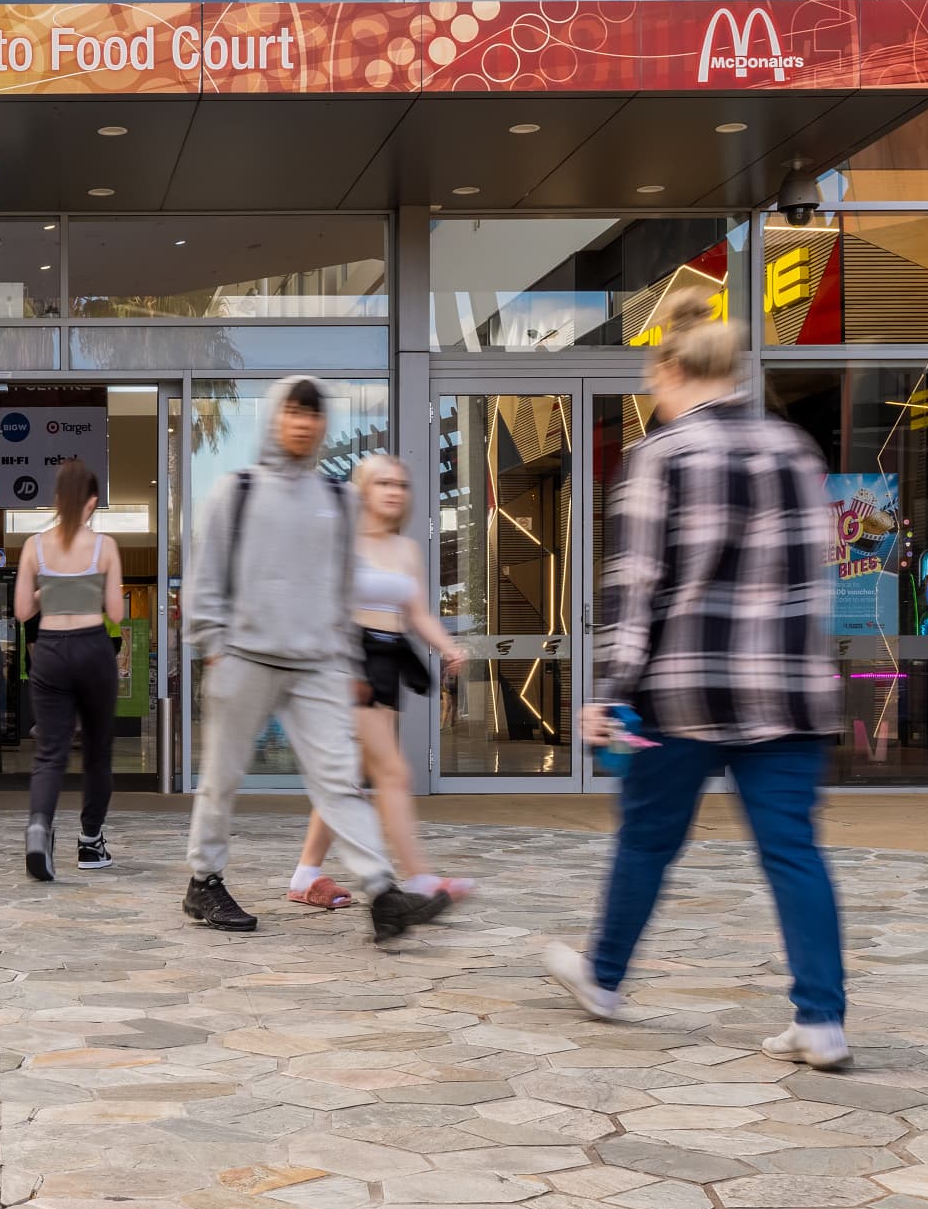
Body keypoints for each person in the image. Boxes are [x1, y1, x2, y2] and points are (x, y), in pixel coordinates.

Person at [542, 290, 851, 1068]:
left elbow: (636, 585)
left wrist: (612, 688)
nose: (653, 398)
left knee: (647, 838)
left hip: (682, 689)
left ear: (672, 367)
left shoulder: (663, 455)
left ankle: (605, 977)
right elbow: (819, 578)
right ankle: (821, 1019)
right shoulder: (796, 449)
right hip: (789, 688)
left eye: (653, 383)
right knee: (794, 851)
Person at [181, 378, 453, 947]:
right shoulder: (239, 490)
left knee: (338, 781)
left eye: (313, 413)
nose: (303, 423)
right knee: (223, 777)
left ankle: (383, 893)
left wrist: (349, 662)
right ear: (276, 419)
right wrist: (214, 645)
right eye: (293, 412)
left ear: (323, 424)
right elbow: (206, 580)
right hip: (245, 657)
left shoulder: (337, 500)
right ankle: (204, 881)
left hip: (318, 665)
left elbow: (341, 589)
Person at [289, 455, 475, 911]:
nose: (393, 491)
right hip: (348, 661)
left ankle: (305, 874)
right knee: (392, 773)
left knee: (349, 777)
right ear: (362, 490)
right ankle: (418, 878)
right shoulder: (341, 542)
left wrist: (448, 648)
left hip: (389, 661)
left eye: (401, 484)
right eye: (382, 483)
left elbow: (417, 614)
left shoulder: (405, 550)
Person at [16, 456, 123, 881]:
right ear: (92, 502)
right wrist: (87, 586)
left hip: (50, 653)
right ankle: (91, 843)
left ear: (58, 499)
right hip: (93, 648)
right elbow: (115, 609)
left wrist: (48, 591)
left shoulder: (33, 547)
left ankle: (39, 827)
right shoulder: (105, 547)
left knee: (50, 753)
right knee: (98, 753)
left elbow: (24, 610)